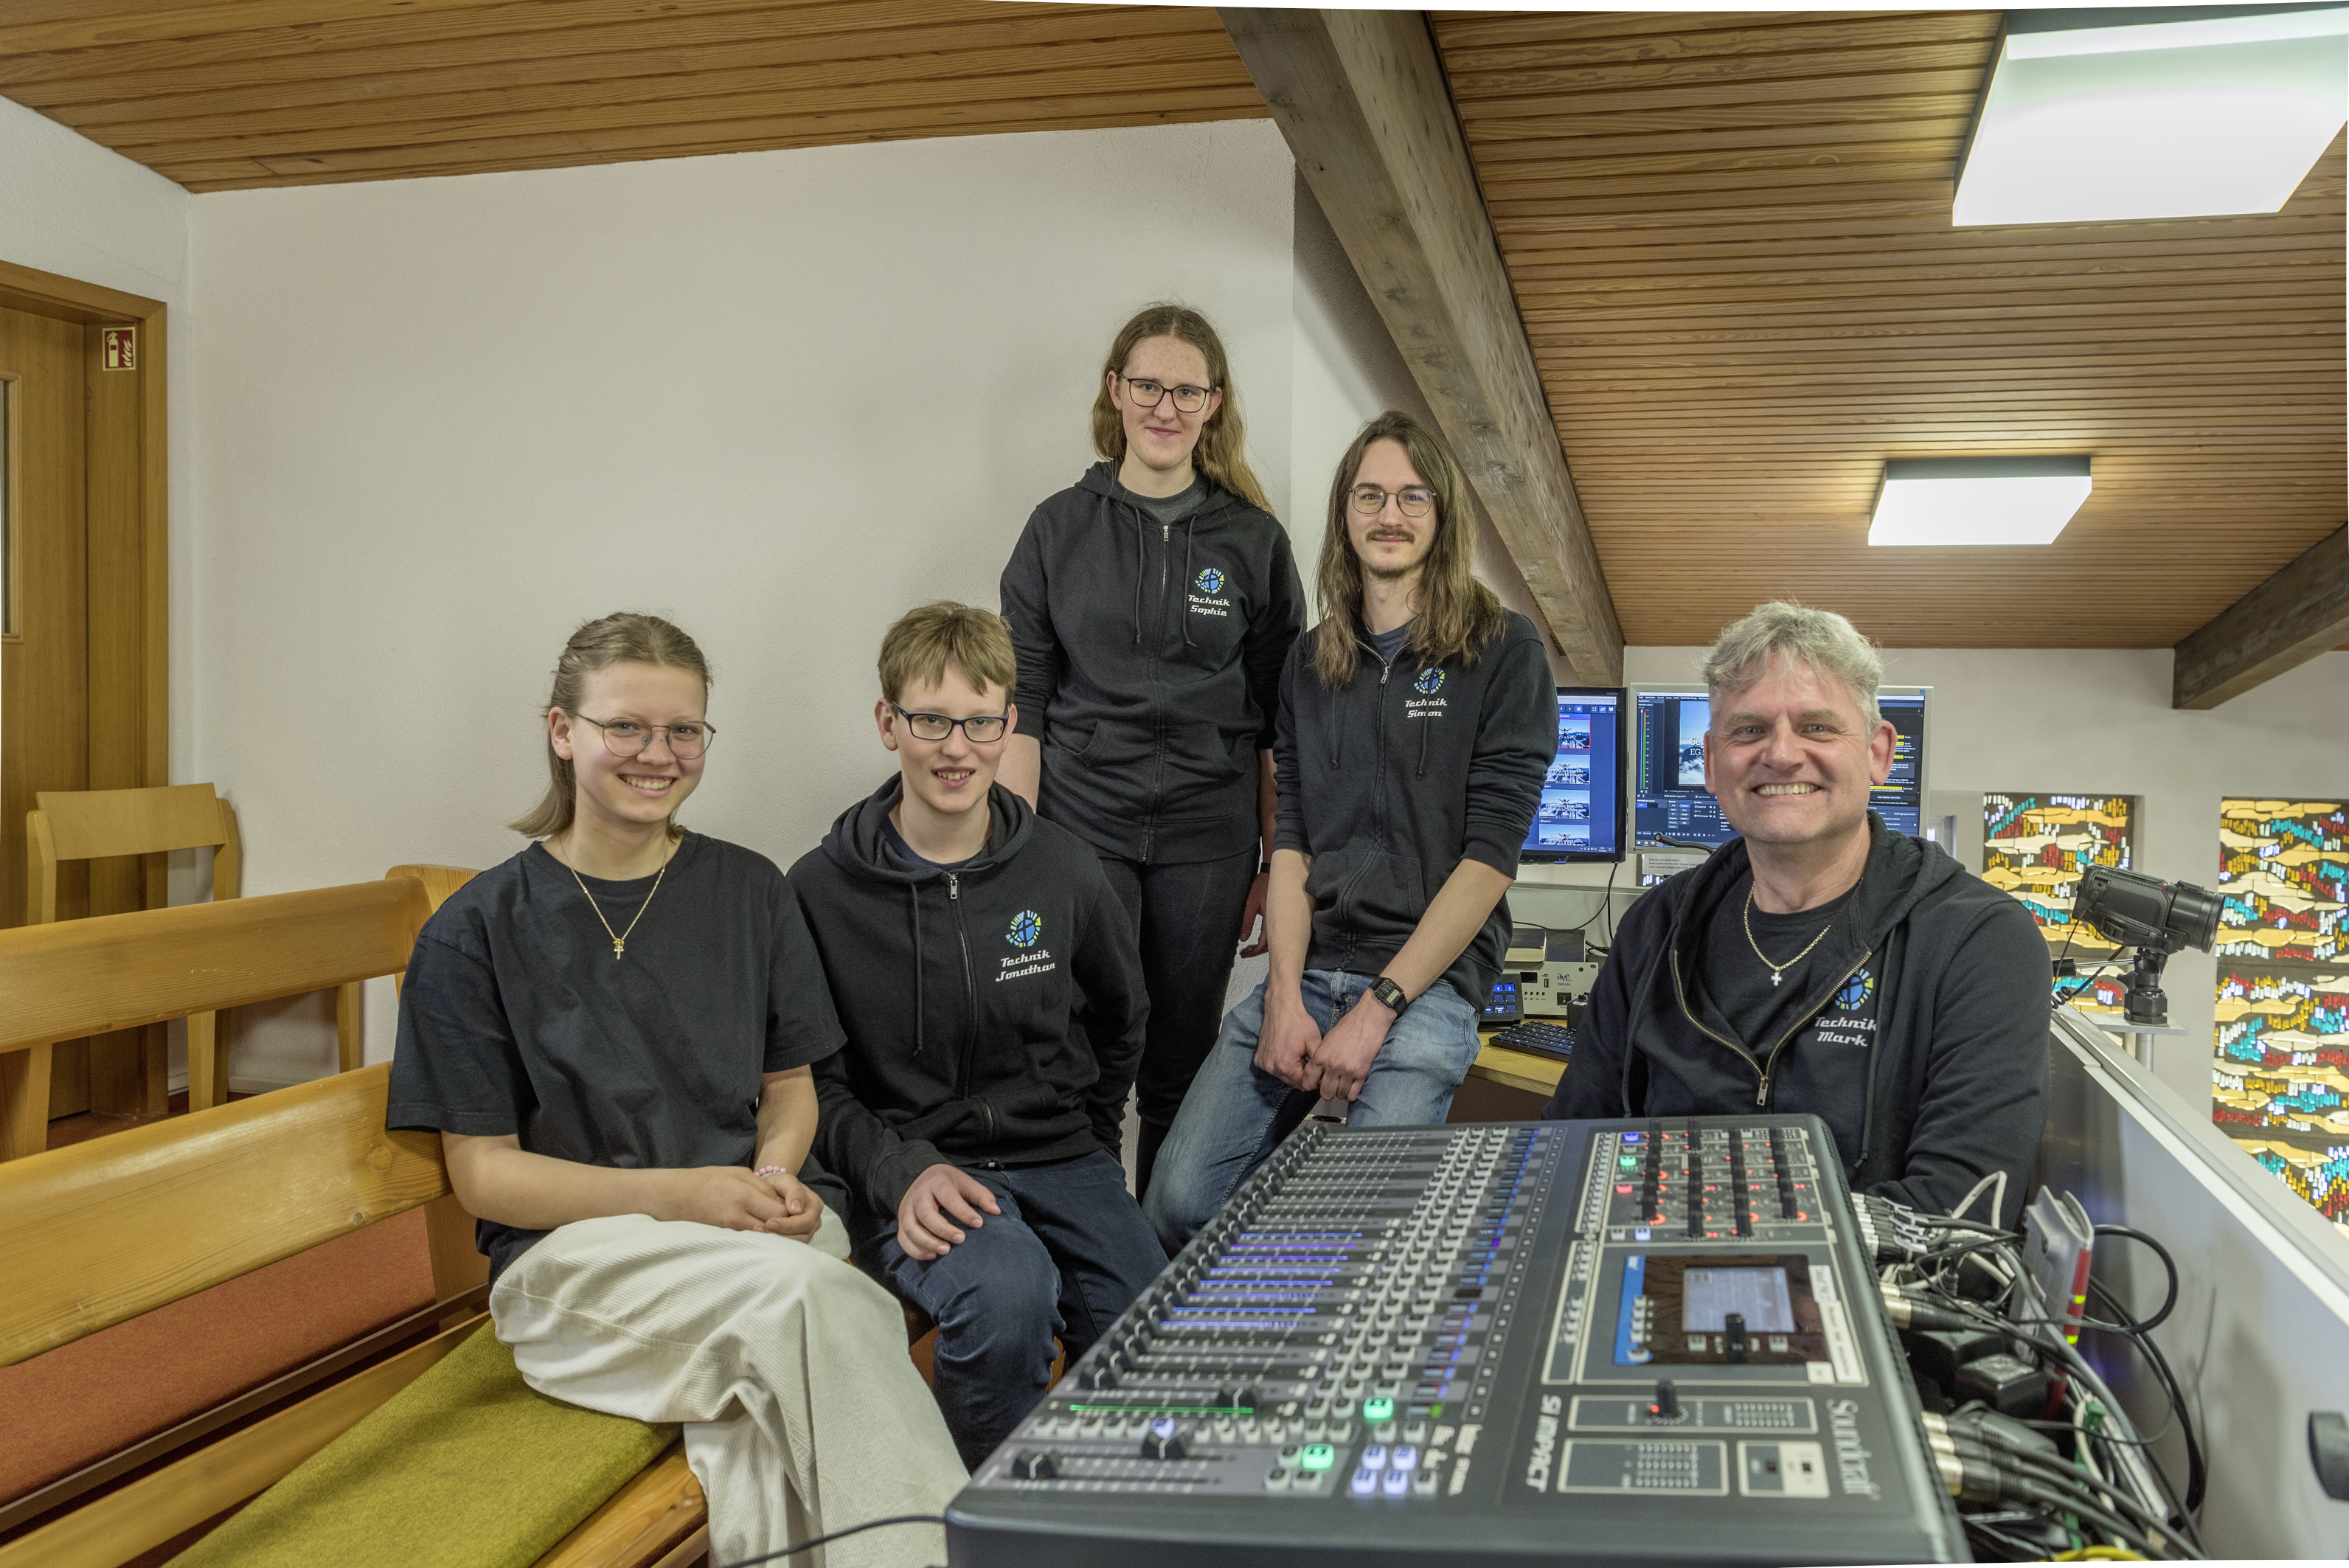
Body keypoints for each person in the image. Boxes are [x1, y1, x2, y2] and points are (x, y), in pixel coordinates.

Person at [386, 612, 962, 1568]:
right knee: (809, 1307)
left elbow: (790, 1087)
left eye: (683, 730)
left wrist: (774, 1174)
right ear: (562, 730)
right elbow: (484, 1177)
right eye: (626, 725)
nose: (658, 754)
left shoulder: (750, 890)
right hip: (578, 1268)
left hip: (756, 1236)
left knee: (763, 1418)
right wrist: (685, 1196)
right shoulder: (475, 930)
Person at [1145, 412, 1555, 1251]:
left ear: (1441, 514)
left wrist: (1378, 1009)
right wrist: (1281, 996)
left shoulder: (1504, 649)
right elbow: (1291, 840)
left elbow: (1488, 860)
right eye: (1369, 495)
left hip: (1425, 989)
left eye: (1412, 496)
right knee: (1177, 1204)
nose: (1389, 514)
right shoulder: (1309, 661)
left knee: (1352, 1235)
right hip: (1311, 970)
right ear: (1344, 512)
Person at [791, 600, 1167, 1468]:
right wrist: (897, 1171)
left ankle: (1099, 1505)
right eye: (930, 719)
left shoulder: (1064, 868)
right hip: (916, 1167)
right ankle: (976, 1515)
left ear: (1008, 725)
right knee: (1006, 1297)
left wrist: (1092, 1142)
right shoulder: (815, 891)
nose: (955, 747)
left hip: (1059, 1153)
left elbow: (1121, 1018)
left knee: (1151, 1320)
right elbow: (812, 1081)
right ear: (888, 722)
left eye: (980, 720)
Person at [1543, 602, 2049, 1227]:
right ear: (1711, 762)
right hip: (1649, 1265)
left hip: (1869, 1284)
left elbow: (1959, 1214)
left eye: (1816, 727)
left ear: (1878, 753)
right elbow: (1573, 1141)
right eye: (1748, 730)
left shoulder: (1979, 940)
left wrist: (1709, 1237)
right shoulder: (1656, 926)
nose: (1781, 755)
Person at [998, 303, 1306, 1196]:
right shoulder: (1057, 528)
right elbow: (1023, 707)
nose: (1164, 408)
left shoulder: (1253, 540)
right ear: (1114, 390)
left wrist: (1272, 860)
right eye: (1146, 386)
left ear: (1214, 402)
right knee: (1090, 1058)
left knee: (1180, 1060)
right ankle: (1094, 1247)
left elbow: (1276, 722)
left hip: (1208, 840)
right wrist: (1016, 851)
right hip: (1082, 826)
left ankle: (1160, 1252)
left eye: (1185, 391)